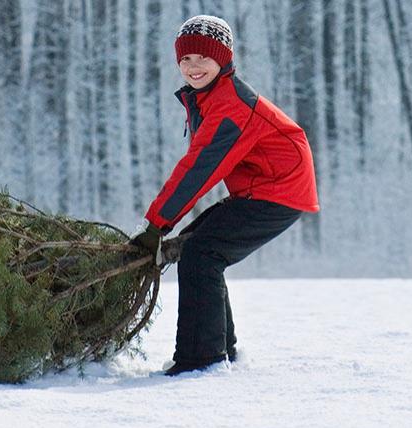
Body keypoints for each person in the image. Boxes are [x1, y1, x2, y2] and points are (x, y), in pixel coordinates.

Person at [129, 15, 321, 376]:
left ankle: (202, 359)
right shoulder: (209, 98)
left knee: (202, 253)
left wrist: (155, 225)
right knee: (197, 245)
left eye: (204, 57)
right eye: (186, 59)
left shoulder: (230, 105)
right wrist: (163, 226)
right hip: (261, 187)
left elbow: (198, 170)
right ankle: (221, 350)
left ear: (225, 58)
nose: (194, 66)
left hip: (280, 189)